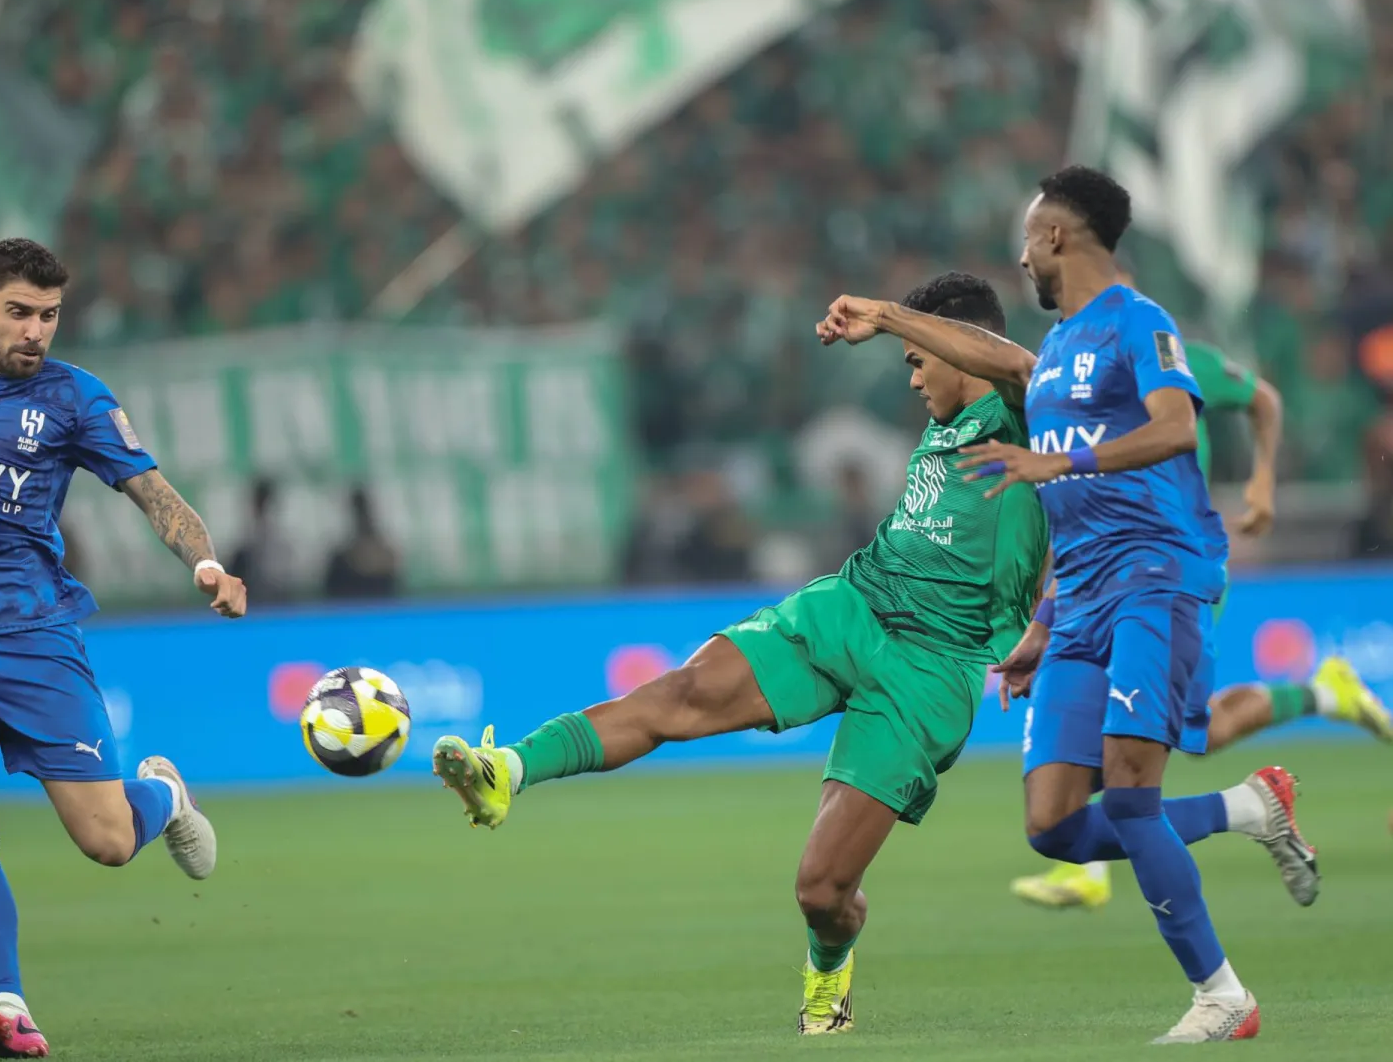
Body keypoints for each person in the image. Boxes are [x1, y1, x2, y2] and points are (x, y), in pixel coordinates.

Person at [431, 272, 1051, 1035]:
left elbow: (1023, 367)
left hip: (931, 666)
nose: (913, 373)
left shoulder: (1027, 410)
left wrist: (892, 316)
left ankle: (830, 971)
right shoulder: (948, 415)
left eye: (920, 356)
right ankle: (508, 772)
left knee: (822, 891)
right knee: (682, 694)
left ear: (961, 348)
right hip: (853, 603)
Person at [819, 166, 1315, 1043]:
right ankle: (1249, 808)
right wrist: (1039, 629)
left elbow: (1173, 428)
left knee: (1129, 793)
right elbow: (1019, 409)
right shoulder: (1050, 360)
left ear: (1056, 236)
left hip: (1154, 577)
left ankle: (1223, 995)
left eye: (1026, 239)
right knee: (1052, 826)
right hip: (1079, 597)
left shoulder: (1141, 323)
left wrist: (1063, 462)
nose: (1020, 259)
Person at [0, 239, 247, 1059]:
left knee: (109, 840)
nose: (36, 331)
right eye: (19, 312)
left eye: (50, 315)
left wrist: (206, 562)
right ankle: (9, 1005)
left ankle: (164, 794)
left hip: (32, 643)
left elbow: (155, 495)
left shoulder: (72, 399)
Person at [1010, 328, 1390, 909]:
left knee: (1194, 731)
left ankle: (1321, 696)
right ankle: (1086, 852)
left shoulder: (1178, 359)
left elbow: (1263, 398)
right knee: (1136, 719)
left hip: (1174, 567)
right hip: (1110, 569)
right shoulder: (1081, 375)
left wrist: (1263, 482)